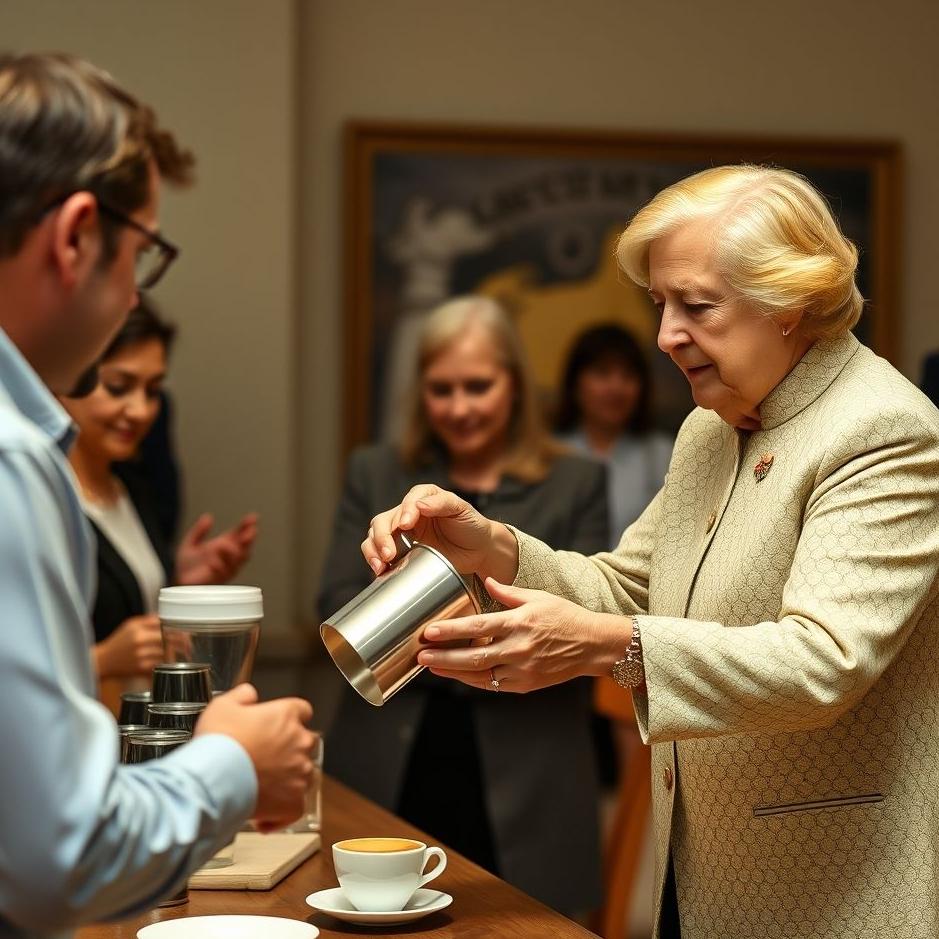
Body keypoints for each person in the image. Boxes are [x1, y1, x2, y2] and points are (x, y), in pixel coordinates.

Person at [363, 166, 939, 939]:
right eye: (660, 304)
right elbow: (630, 585)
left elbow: (823, 661)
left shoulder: (882, 430)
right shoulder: (710, 425)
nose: (665, 334)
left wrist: (611, 648)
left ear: (790, 303)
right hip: (698, 870)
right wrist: (491, 546)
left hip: (825, 889)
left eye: (695, 306)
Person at [0, 52, 315, 935]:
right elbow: (61, 858)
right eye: (141, 253)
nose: (136, 290)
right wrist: (231, 762)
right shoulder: (11, 458)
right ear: (73, 238)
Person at [320, 296, 608, 915]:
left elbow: (590, 608)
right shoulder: (377, 471)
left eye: (478, 386)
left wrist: (426, 615)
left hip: (529, 764)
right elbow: (336, 600)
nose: (459, 407)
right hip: (394, 744)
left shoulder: (576, 481)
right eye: (440, 389)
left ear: (515, 385)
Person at [61, 298, 257, 681]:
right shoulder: (44, 497)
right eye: (118, 388)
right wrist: (101, 659)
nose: (140, 410)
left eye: (152, 391)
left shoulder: (133, 489)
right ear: (69, 379)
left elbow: (134, 607)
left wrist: (179, 582)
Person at [556, 322, 673, 547]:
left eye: (628, 375)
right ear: (575, 383)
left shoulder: (663, 454)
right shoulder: (550, 454)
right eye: (602, 372)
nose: (616, 387)